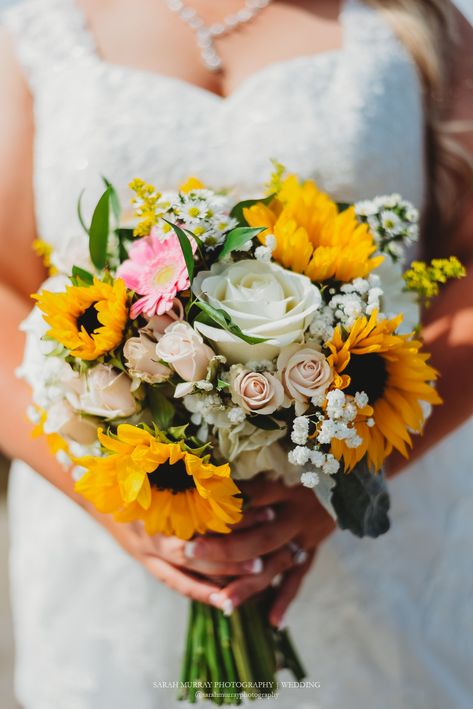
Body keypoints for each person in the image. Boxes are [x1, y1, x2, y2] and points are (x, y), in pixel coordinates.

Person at [0, 0, 472, 707]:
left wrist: (353, 481)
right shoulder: (38, 25)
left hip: (380, 534)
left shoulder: (415, 21)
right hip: (109, 536)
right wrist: (124, 503)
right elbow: (8, 287)